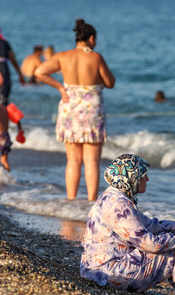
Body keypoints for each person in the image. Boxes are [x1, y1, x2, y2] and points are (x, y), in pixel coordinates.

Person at [80, 154, 175, 295]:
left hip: (96, 269)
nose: (147, 179)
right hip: (107, 273)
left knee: (174, 245)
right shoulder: (119, 205)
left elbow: (149, 225)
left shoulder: (112, 197)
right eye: (143, 175)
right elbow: (150, 244)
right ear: (132, 178)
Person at [35, 19, 115, 201]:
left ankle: (71, 201)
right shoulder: (95, 57)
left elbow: (39, 72)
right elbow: (110, 83)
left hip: (69, 106)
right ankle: (91, 202)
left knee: (73, 160)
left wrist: (60, 88)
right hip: (92, 109)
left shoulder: (63, 56)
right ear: (91, 38)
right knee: (92, 160)